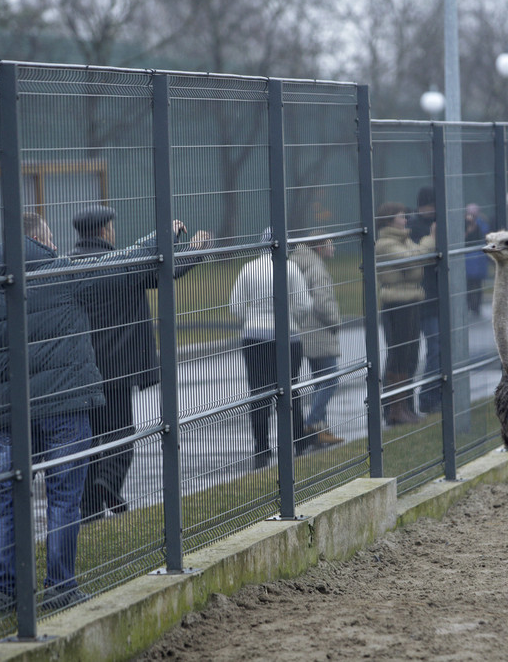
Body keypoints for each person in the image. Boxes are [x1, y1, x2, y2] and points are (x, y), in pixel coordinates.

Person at [0, 212, 162, 613]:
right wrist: (159, 236)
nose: (55, 244)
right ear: (39, 240)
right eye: (50, 238)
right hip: (66, 406)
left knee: (8, 496)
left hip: (15, 414)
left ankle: (1, 591)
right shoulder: (61, 273)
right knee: (63, 497)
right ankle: (60, 586)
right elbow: (120, 266)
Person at [69, 207, 209, 522]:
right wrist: (196, 250)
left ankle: (90, 511)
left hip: (82, 370)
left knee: (90, 438)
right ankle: (108, 480)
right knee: (122, 434)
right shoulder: (123, 266)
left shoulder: (70, 268)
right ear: (105, 232)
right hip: (119, 369)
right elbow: (167, 269)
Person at [229, 229, 313, 469]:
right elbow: (303, 304)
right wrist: (290, 319)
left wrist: (252, 319)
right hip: (287, 336)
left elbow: (236, 306)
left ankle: (261, 449)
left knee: (259, 392)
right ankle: (297, 442)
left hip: (255, 336)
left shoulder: (249, 268)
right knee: (290, 388)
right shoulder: (290, 268)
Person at [375, 202, 430, 426]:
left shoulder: (404, 241)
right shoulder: (385, 244)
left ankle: (406, 405)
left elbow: (416, 263)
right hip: (397, 304)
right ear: (389, 220)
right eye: (401, 217)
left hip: (411, 300)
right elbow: (415, 263)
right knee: (398, 355)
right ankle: (394, 409)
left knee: (411, 354)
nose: (406, 220)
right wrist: (428, 242)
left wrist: (418, 254)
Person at [289, 233, 345, 447]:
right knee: (331, 379)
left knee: (318, 380)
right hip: (320, 331)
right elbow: (323, 301)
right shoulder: (317, 269)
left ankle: (322, 427)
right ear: (320, 247)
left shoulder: (296, 265)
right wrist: (335, 321)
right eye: (331, 244)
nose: (334, 248)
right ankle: (313, 423)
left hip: (303, 329)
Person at [407, 187, 441, 414]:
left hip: (438, 298)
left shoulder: (439, 223)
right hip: (423, 300)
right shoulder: (415, 228)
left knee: (439, 350)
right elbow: (421, 257)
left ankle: (435, 395)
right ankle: (426, 398)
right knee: (433, 350)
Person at [463, 204, 489, 314]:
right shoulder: (465, 225)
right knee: (470, 285)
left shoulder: (481, 225)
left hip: (477, 259)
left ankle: (475, 306)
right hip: (471, 259)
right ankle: (471, 305)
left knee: (476, 284)